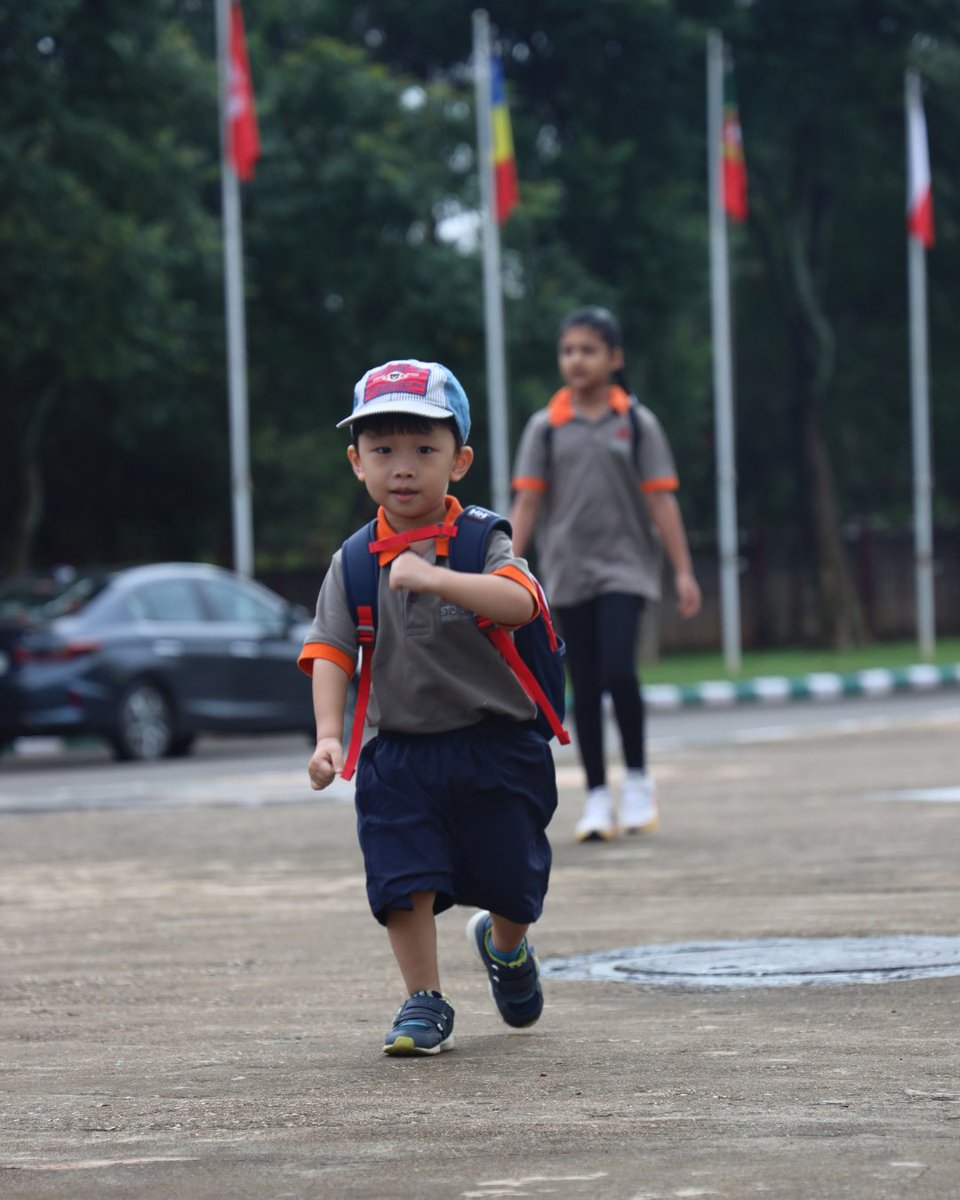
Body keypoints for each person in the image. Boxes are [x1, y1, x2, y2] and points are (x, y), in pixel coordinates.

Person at [299, 359, 557, 1057]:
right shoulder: (354, 562)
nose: (402, 468)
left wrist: (440, 577)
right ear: (356, 463)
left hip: (496, 745)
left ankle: (506, 950)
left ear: (460, 460)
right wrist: (328, 737)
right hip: (401, 752)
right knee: (400, 877)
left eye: (423, 449)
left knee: (511, 883)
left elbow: (523, 601)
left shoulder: (479, 540)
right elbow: (330, 651)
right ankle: (423, 1000)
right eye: (382, 451)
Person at [510, 307, 701, 843]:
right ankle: (596, 795)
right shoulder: (544, 428)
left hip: (626, 568)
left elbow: (663, 503)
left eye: (588, 350)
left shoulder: (637, 423)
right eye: (568, 350)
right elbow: (525, 503)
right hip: (568, 572)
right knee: (585, 685)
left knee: (619, 669)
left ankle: (637, 781)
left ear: (614, 359)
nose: (576, 360)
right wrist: (504, 566)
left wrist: (683, 571)